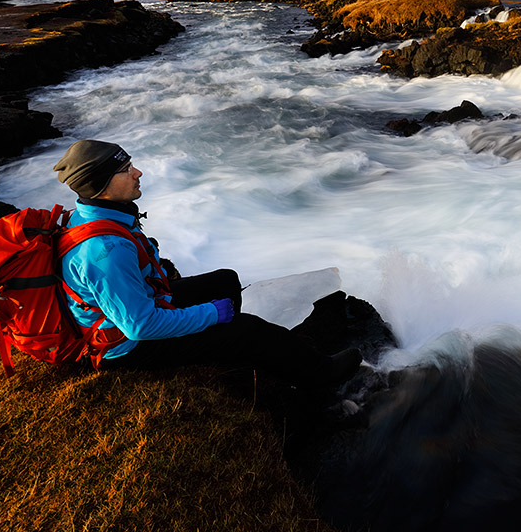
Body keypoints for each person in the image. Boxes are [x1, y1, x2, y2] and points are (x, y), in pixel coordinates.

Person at [52, 139, 361, 385]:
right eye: (126, 169)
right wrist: (211, 314)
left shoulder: (90, 215)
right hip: (122, 347)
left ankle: (227, 353)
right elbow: (141, 326)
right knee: (247, 329)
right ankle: (321, 375)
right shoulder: (105, 250)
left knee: (225, 280)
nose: (138, 173)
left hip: (136, 306)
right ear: (102, 187)